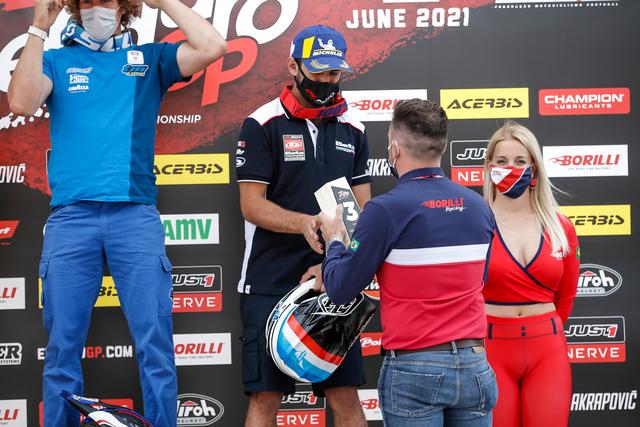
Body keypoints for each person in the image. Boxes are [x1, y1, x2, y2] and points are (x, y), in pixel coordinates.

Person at [8, 0, 227, 425]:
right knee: (62, 349)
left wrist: (164, 1)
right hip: (72, 218)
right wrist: (38, 27)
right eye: (87, 0)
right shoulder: (55, 60)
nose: (97, 7)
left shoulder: (149, 59)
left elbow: (213, 46)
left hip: (134, 216)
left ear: (124, 6)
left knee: (155, 345)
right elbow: (19, 102)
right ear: (74, 7)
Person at [320, 99, 498, 427]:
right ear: (441, 147)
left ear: (395, 148)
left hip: (415, 367)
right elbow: (480, 282)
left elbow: (340, 288)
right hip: (475, 365)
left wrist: (334, 241)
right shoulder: (479, 206)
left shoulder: (384, 210)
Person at [235, 24, 371, 427]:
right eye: (318, 71)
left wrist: (335, 265)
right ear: (293, 66)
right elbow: (251, 205)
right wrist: (305, 224)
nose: (327, 81)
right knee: (265, 398)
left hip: (332, 280)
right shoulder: (261, 123)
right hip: (269, 280)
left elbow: (362, 212)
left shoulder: (354, 127)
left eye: (334, 73)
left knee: (345, 397)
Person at [481, 122, 579, 427]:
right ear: (489, 166)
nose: (510, 167)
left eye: (520, 161)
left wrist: (541, 330)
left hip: (547, 350)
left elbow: (566, 297)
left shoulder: (560, 226)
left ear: (533, 168)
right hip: (491, 349)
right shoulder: (475, 223)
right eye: (502, 161)